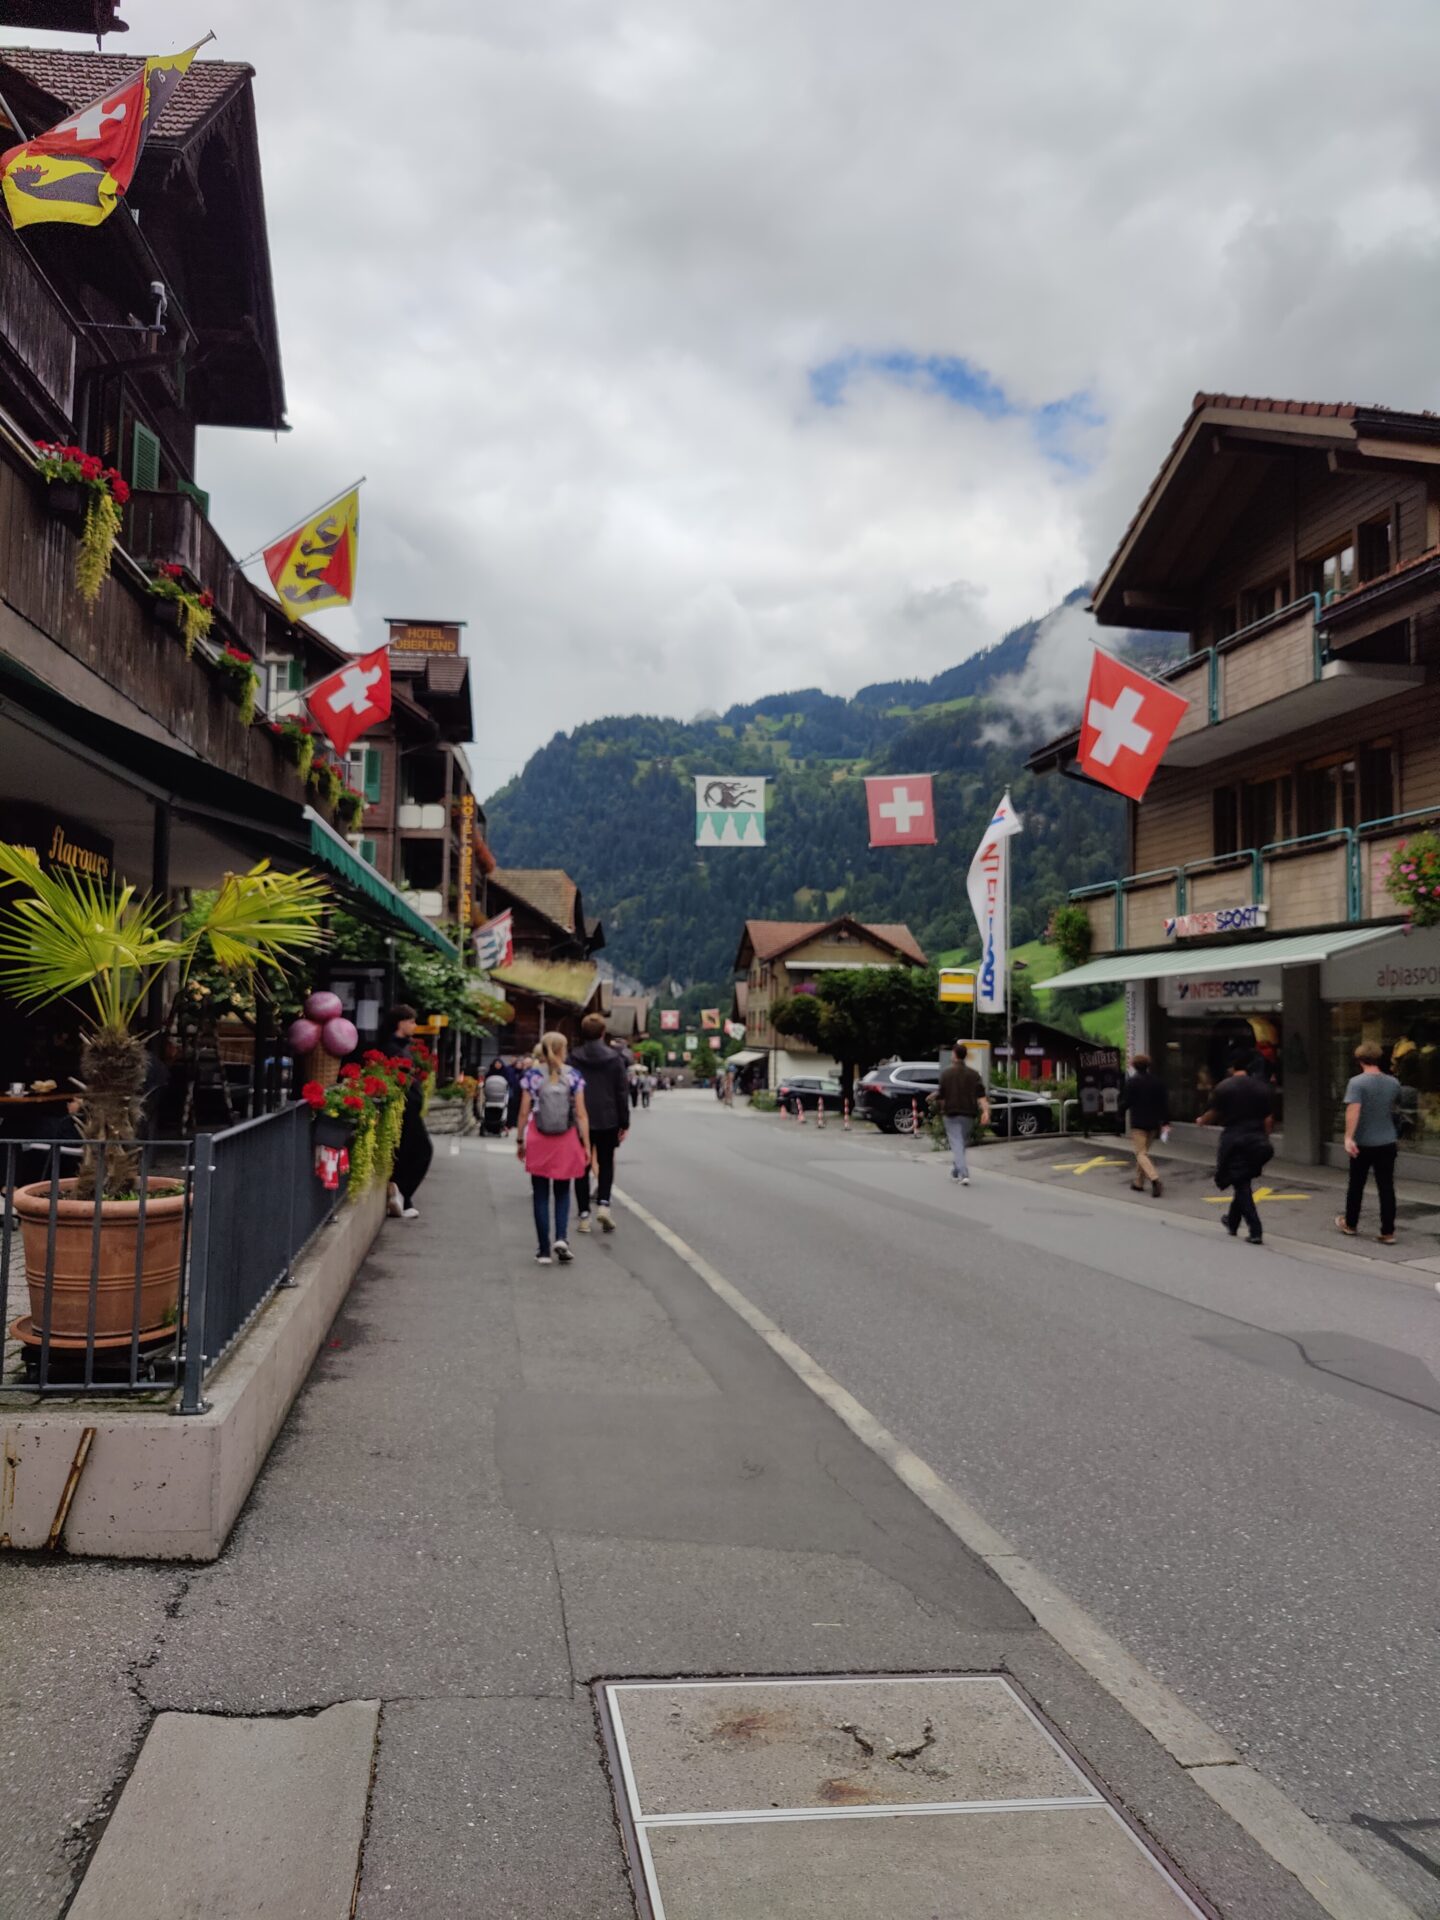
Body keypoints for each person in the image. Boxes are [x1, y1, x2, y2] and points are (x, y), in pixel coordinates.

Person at [517, 1031, 591, 1265]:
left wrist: (520, 1140)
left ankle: (543, 1250)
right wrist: (586, 1145)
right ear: (563, 1050)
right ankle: (561, 1237)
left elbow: (523, 1111)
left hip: (539, 1138)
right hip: (566, 1138)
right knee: (562, 1191)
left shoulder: (532, 1076)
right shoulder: (574, 1076)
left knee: (540, 1194)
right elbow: (580, 1114)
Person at [1198, 1053, 1273, 1246]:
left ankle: (1255, 1229)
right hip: (1257, 1140)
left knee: (1241, 1184)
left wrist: (1202, 1121)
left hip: (1235, 1139)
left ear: (1233, 1068)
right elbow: (1268, 1119)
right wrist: (1264, 1138)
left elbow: (1214, 1112)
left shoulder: (1225, 1087)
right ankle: (1231, 1222)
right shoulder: (1262, 1088)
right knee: (1242, 1179)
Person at [1337, 1040, 1403, 1244]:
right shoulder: (1393, 1083)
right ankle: (1388, 1231)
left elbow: (1353, 1111)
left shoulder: (1357, 1083)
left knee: (1356, 1184)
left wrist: (1348, 1137)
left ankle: (1351, 1223)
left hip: (1363, 1142)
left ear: (1359, 1060)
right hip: (1387, 1140)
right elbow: (1395, 1108)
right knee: (1386, 1186)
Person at [570, 1013, 629, 1233]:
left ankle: (584, 1215)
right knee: (606, 1163)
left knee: (581, 1166)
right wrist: (624, 1122)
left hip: (580, 1119)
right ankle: (604, 1204)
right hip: (608, 1117)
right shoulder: (615, 1059)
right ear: (603, 1033)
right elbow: (621, 1092)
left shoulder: (573, 1058)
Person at [381, 1004, 432, 1220]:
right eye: (411, 1021)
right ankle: (402, 1191)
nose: (414, 1025)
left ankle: (402, 1195)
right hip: (405, 1108)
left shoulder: (400, 1045)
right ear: (401, 1023)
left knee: (408, 1151)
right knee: (422, 1150)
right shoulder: (393, 1048)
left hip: (407, 1106)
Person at [931, 1042, 990, 1187]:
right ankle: (956, 1171)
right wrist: (986, 1111)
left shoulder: (946, 1074)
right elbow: (981, 1095)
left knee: (956, 1143)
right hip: (969, 1113)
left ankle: (963, 1173)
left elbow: (942, 1096)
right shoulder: (974, 1074)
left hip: (951, 1112)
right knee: (960, 1142)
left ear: (954, 1055)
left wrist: (939, 1107)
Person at [1117, 1052, 1169, 1198]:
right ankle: (1138, 1183)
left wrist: (1119, 1114)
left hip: (1138, 1123)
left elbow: (1126, 1102)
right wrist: (1165, 1121)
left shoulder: (1132, 1082)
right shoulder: (1158, 1082)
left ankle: (1155, 1179)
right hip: (1153, 1124)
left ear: (1133, 1066)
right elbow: (1163, 1104)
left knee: (1140, 1154)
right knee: (1143, 1153)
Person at [482, 1062, 510, 1136]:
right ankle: (488, 1125)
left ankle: (499, 1125)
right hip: (490, 1097)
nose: (498, 1065)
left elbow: (508, 1084)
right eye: (496, 1064)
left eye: (499, 1064)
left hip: (501, 1098)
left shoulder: (505, 1073)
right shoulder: (490, 1074)